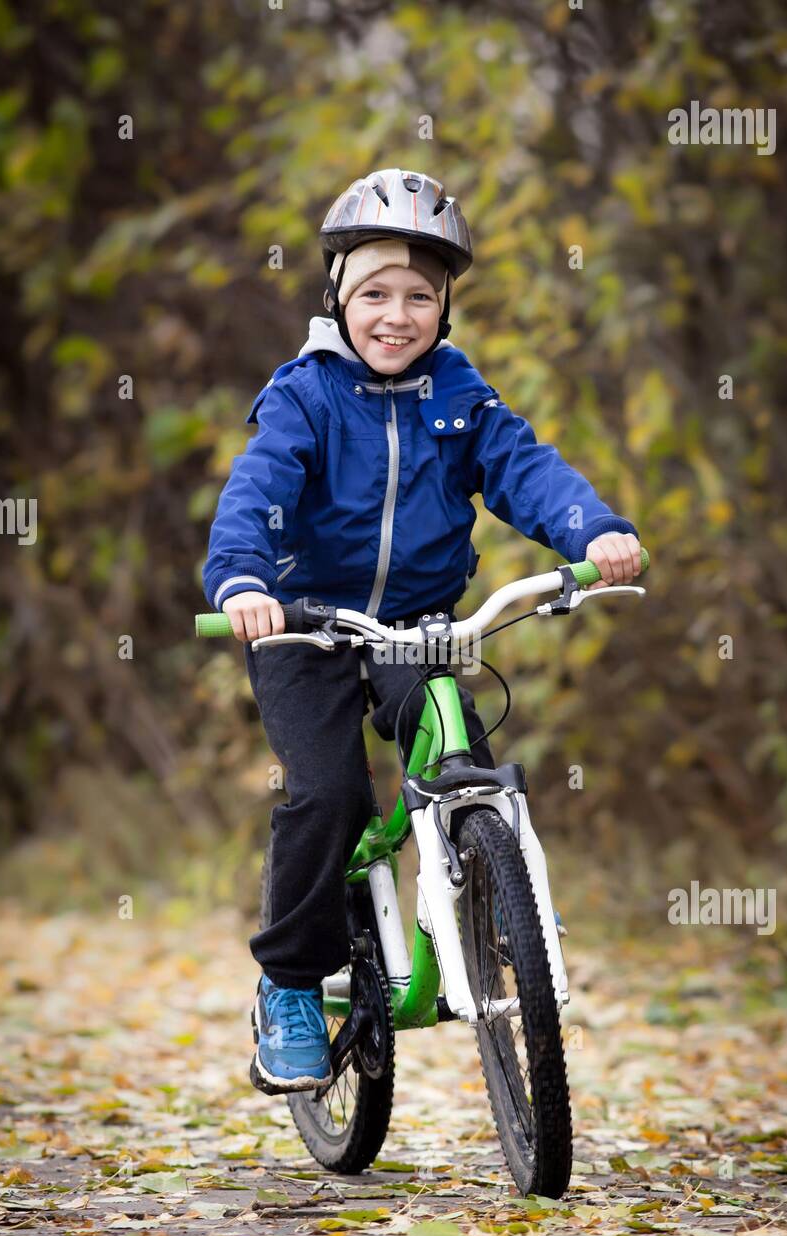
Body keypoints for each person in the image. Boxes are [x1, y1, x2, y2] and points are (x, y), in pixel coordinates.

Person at [201, 167, 642, 1093]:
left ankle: (502, 907)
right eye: (374, 295)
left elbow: (525, 469)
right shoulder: (306, 396)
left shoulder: (460, 393)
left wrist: (592, 530)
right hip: (306, 625)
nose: (395, 316)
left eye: (419, 297)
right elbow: (258, 490)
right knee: (326, 793)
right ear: (338, 298)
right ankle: (289, 983)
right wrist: (244, 579)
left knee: (460, 754)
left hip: (423, 623)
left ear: (444, 309)